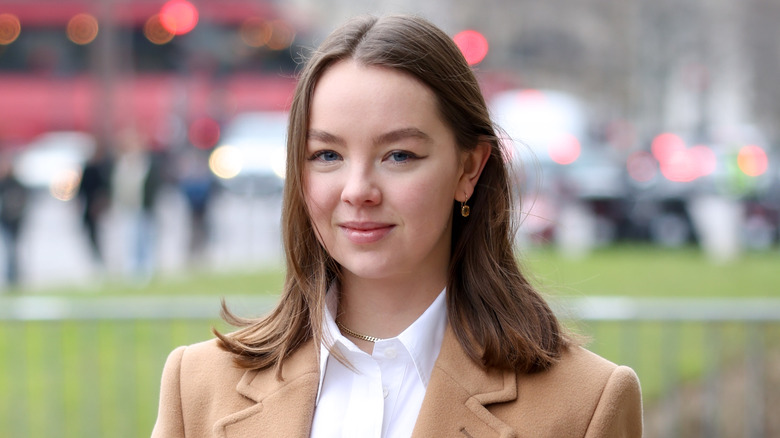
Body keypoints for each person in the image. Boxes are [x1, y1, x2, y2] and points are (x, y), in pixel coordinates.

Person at [152, 14, 642, 437]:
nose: (357, 189)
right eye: (327, 155)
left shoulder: (585, 405)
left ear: (469, 169)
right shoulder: (197, 386)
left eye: (399, 155)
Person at [0, 153, 28, 288]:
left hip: (14, 221)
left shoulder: (16, 184)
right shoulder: (3, 183)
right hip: (5, 220)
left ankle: (14, 276)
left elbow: (21, 201)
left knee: (12, 249)